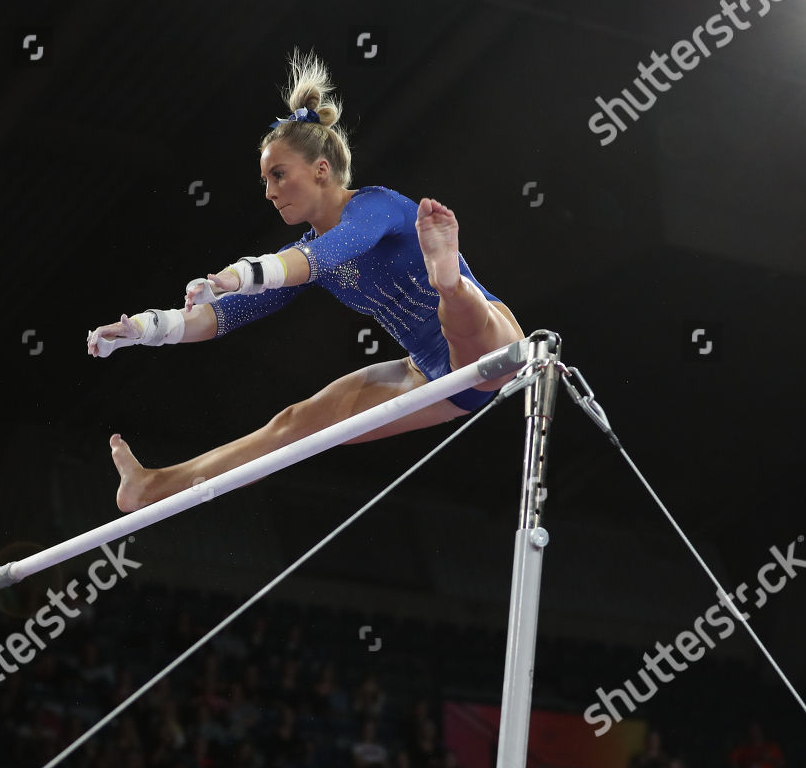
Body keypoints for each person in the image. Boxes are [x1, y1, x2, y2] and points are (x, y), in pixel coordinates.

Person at [89, 48, 525, 513]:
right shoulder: (303, 254)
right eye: (264, 181)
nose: (270, 191)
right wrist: (144, 329)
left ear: (321, 170)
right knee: (293, 426)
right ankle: (151, 488)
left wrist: (241, 273)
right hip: (428, 376)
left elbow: (326, 253)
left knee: (456, 312)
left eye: (278, 174)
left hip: (491, 348)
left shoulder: (375, 207)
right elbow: (219, 317)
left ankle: (449, 281)